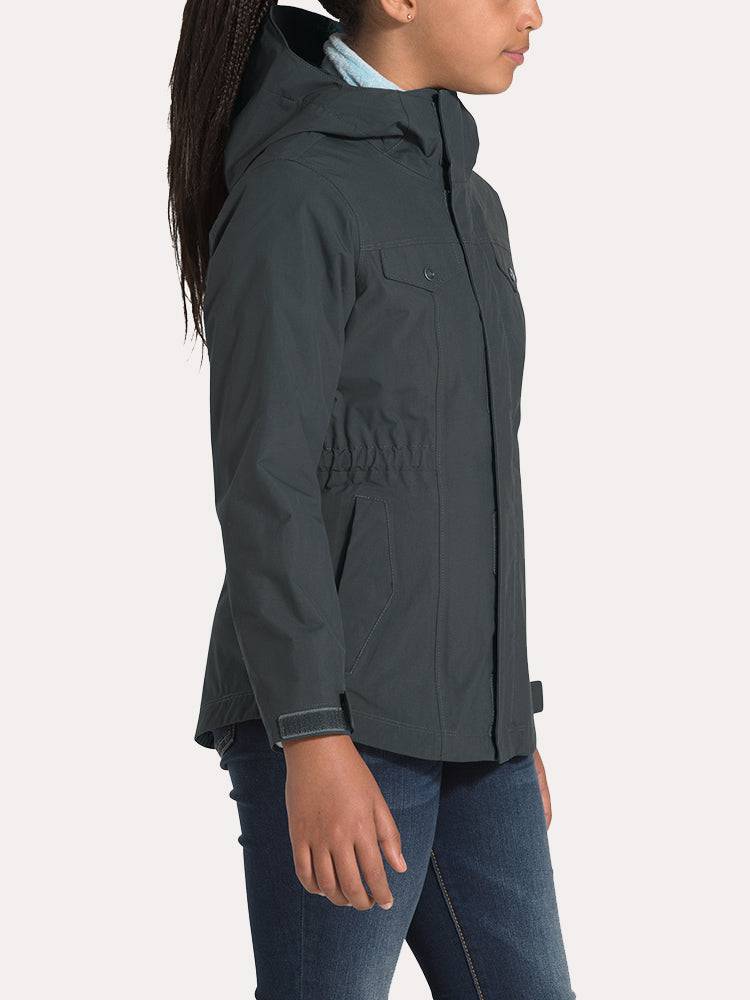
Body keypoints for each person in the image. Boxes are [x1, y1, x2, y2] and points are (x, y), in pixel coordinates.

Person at [168, 2, 576, 997]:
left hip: (476, 734)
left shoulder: (469, 201)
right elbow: (265, 480)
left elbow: (471, 479)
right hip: (336, 722)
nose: (533, 13)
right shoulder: (297, 192)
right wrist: (311, 734)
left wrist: (505, 717)